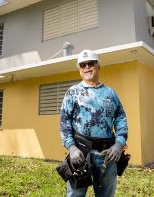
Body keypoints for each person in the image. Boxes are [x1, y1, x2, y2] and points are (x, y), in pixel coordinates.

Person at [60, 49, 128, 197]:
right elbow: (64, 122)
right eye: (82, 65)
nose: (87, 67)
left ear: (98, 66)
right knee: (75, 195)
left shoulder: (110, 93)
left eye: (90, 63)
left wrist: (119, 144)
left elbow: (121, 118)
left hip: (108, 156)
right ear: (79, 69)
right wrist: (71, 148)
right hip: (80, 154)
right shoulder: (73, 92)